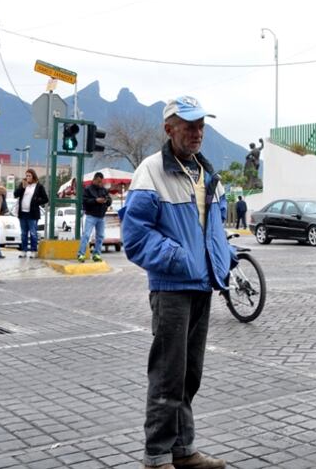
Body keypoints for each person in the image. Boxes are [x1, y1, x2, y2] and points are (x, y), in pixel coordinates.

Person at [122, 95, 233, 469]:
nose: (196, 132)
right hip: (172, 288)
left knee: (189, 375)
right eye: (188, 126)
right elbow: (135, 238)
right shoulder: (151, 171)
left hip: (203, 286)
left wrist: (223, 260)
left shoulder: (207, 174)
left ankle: (183, 450)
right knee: (168, 375)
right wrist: (179, 259)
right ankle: (157, 455)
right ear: (169, 129)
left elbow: (213, 229)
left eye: (200, 125)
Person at [14, 168, 48, 258]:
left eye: (29, 176)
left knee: (33, 233)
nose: (27, 177)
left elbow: (45, 199)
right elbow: (15, 194)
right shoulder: (23, 185)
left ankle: (33, 250)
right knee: (23, 233)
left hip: (32, 214)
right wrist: (22, 188)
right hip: (23, 213)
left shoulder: (38, 186)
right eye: (26, 176)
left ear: (33, 176)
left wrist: (36, 201)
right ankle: (24, 250)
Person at [78, 171, 110, 262]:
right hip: (91, 216)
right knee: (86, 235)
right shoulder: (88, 189)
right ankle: (81, 254)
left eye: (101, 182)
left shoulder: (103, 190)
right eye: (98, 181)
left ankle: (96, 254)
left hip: (101, 216)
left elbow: (109, 200)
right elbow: (84, 201)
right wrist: (96, 200)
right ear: (94, 180)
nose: (100, 183)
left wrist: (106, 200)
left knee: (100, 236)